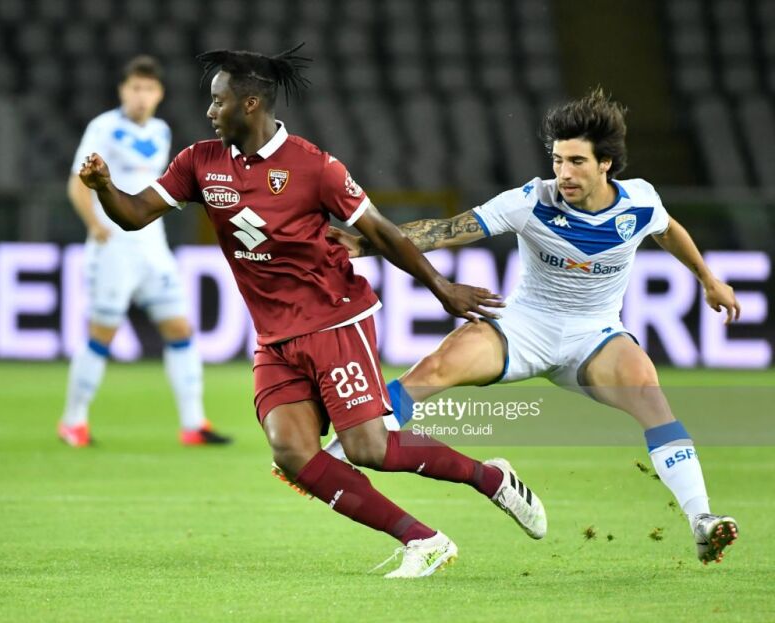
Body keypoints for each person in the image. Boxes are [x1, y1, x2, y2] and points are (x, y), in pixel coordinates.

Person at [78, 44, 546, 578]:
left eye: (218, 101)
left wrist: (441, 288)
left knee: (368, 448)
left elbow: (381, 232)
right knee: (291, 451)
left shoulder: (314, 166)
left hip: (335, 321)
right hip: (275, 336)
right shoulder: (199, 163)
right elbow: (135, 214)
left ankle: (489, 478)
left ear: (250, 104)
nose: (209, 112)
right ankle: (423, 540)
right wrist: (105, 188)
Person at [328, 88, 740, 565]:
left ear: (606, 164)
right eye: (558, 160)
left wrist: (708, 279)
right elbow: (446, 230)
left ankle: (702, 520)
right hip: (524, 328)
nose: (564, 173)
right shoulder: (531, 200)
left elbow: (668, 230)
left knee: (650, 394)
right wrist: (365, 245)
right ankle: (340, 451)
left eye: (577, 162)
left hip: (594, 336)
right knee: (436, 367)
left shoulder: (640, 201)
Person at [60, 55, 231, 448]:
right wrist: (96, 225)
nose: (141, 96)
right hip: (113, 249)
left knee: (180, 329)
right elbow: (77, 183)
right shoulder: (103, 127)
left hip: (153, 248)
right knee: (102, 333)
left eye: (148, 89)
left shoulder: (160, 131)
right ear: (123, 90)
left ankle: (194, 424)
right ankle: (73, 421)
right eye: (135, 88)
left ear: (159, 94)